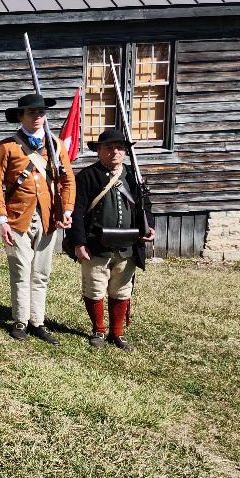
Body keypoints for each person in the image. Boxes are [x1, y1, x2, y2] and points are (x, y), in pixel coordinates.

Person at [0, 93, 75, 345]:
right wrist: (2, 218)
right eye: (31, 113)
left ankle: (37, 321)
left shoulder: (55, 145)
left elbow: (67, 179)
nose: (37, 117)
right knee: (20, 271)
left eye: (41, 113)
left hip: (48, 217)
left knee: (41, 273)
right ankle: (20, 320)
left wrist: (67, 210)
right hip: (16, 217)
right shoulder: (7, 147)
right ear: (20, 116)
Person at [66, 128, 155, 351]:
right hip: (96, 244)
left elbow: (145, 205)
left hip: (128, 245)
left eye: (119, 148)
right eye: (109, 147)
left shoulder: (133, 175)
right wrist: (79, 242)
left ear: (125, 151)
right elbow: (77, 212)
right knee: (95, 288)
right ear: (99, 151)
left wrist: (148, 227)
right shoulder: (87, 176)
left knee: (121, 290)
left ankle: (117, 333)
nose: (115, 152)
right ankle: (98, 330)